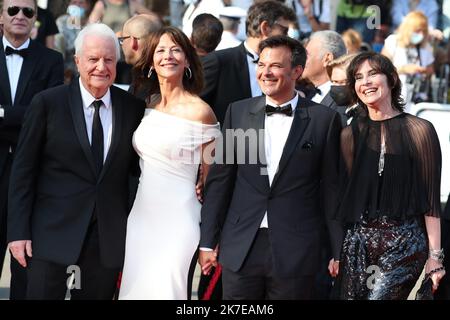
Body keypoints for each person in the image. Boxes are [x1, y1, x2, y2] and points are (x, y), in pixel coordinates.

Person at [7, 23, 145, 300]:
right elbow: (23, 171)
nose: (101, 67)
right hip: (49, 237)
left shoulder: (132, 108)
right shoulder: (47, 103)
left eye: (108, 59)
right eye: (93, 59)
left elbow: (132, 172)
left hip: (105, 240)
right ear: (78, 61)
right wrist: (18, 233)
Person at [199, 35, 342, 300]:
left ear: (297, 71)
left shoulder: (324, 120)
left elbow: (332, 189)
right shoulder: (238, 112)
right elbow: (220, 181)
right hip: (241, 244)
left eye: (275, 65)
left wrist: (338, 250)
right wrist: (207, 240)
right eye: (261, 64)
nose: (265, 72)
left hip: (296, 249)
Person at [331, 52, 446, 299]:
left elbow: (430, 199)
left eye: (373, 74)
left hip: (405, 242)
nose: (366, 82)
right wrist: (337, 250)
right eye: (358, 77)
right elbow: (349, 197)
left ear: (392, 79)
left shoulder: (420, 131)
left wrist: (435, 257)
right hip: (358, 244)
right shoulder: (350, 135)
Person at [118, 26, 219, 300]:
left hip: (179, 220)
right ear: (151, 62)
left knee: (167, 291)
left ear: (187, 60)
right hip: (140, 218)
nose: (168, 56)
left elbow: (214, 181)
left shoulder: (201, 112)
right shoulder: (147, 105)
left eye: (176, 50)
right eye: (161, 50)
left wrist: (211, 239)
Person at [0, 0, 64, 300]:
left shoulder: (51, 59)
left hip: (32, 177)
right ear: (1, 16)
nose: (20, 16)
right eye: (13, 10)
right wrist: (24, 115)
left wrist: (2, 114)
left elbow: (47, 116)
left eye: (28, 12)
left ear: (36, 19)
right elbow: (34, 115)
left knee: (25, 269)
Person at [201, 0, 296, 124]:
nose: (288, 37)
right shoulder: (219, 61)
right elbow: (194, 109)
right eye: (284, 30)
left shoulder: (285, 66)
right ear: (265, 28)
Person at [381, 11, 435, 107]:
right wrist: (404, 69)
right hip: (394, 96)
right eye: (417, 31)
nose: (421, 34)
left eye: (423, 31)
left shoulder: (426, 47)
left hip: (417, 100)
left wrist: (423, 71)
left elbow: (431, 70)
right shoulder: (393, 41)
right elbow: (381, 67)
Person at [119, 13, 163, 100]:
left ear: (133, 42)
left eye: (122, 39)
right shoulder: (166, 72)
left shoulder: (145, 83)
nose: (122, 44)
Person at [55, 0, 92, 82]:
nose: (77, 6)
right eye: (74, 2)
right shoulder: (62, 21)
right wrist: (75, 22)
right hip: (66, 67)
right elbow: (70, 46)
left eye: (81, 3)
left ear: (88, 5)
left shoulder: (92, 22)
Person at [325, 53, 359, 125]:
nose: (337, 86)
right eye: (335, 81)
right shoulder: (334, 112)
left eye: (344, 82)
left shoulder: (371, 113)